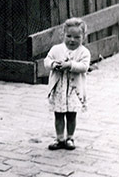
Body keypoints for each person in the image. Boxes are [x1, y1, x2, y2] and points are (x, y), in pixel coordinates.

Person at [43, 17, 90, 151]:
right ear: (63, 34)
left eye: (77, 37)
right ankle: (59, 138)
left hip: (73, 90)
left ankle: (70, 137)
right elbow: (47, 61)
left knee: (71, 115)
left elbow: (84, 66)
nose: (72, 40)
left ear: (83, 37)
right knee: (58, 114)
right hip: (59, 89)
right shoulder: (56, 49)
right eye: (69, 36)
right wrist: (54, 65)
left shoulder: (84, 52)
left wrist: (70, 65)